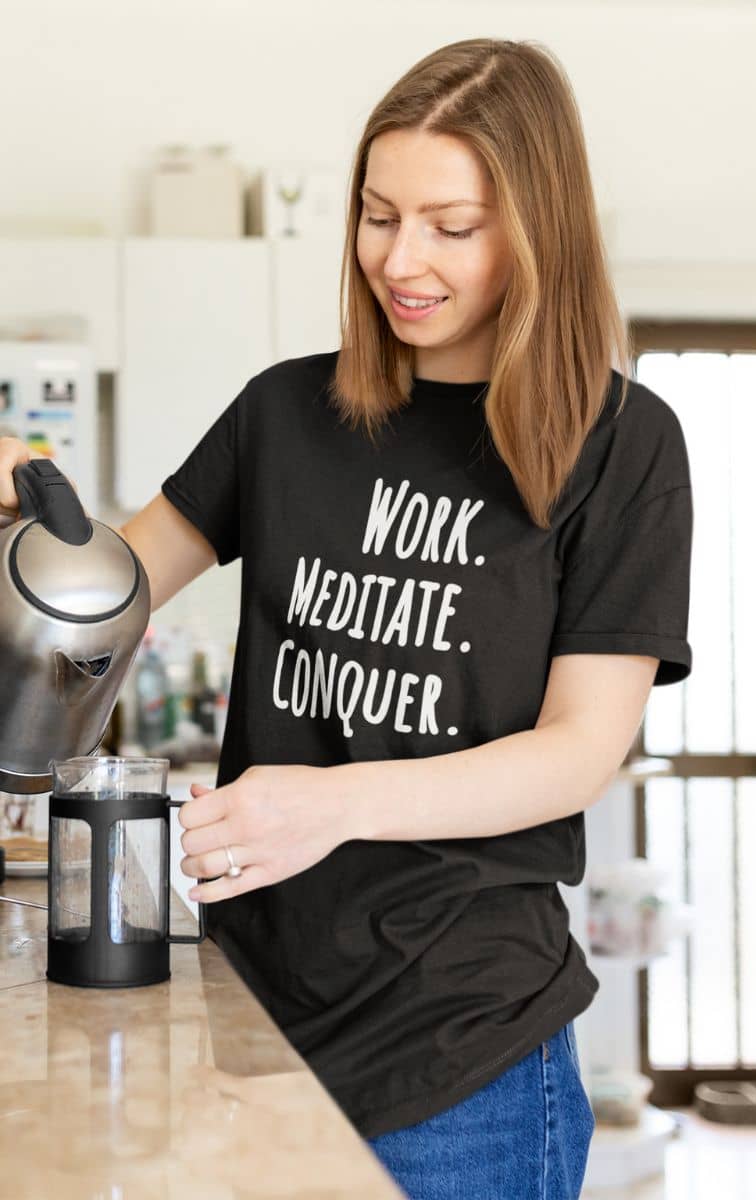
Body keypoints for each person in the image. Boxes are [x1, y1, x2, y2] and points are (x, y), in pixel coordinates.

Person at [0, 36, 693, 1200]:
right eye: (376, 216)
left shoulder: (619, 447)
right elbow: (108, 594)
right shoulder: (283, 413)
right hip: (254, 1019)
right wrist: (27, 505)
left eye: (449, 226)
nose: (399, 258)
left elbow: (580, 750)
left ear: (538, 228)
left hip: (466, 1055)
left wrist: (332, 802)